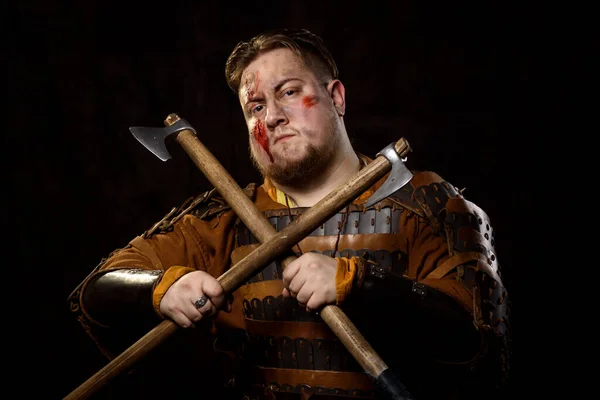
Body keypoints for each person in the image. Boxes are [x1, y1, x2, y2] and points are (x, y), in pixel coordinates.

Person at [67, 28, 511, 400]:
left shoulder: (429, 205)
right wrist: (160, 288)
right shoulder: (220, 221)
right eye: (256, 107)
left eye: (290, 93)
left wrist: (362, 285)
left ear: (335, 96)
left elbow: (484, 351)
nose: (273, 117)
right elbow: (97, 294)